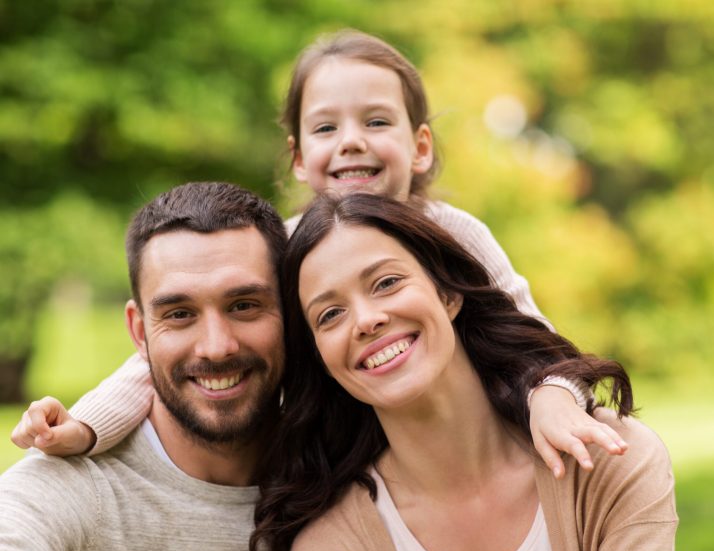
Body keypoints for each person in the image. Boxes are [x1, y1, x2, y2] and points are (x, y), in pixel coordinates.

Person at [12, 30, 626, 474]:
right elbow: (166, 350)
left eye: (376, 122)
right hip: (348, 464)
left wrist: (555, 396)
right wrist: (88, 425)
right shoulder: (285, 248)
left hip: (470, 455)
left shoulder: (454, 233)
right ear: (300, 158)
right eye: (327, 128)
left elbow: (534, 339)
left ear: (419, 146)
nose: (352, 142)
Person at [251, 192, 678, 551]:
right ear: (320, 357)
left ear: (448, 293)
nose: (365, 319)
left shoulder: (606, 461)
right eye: (330, 314)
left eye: (386, 283)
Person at [0, 182, 290, 551]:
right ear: (140, 332)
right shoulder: (71, 491)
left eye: (243, 305)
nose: (216, 347)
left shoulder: (345, 478)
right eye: (180, 313)